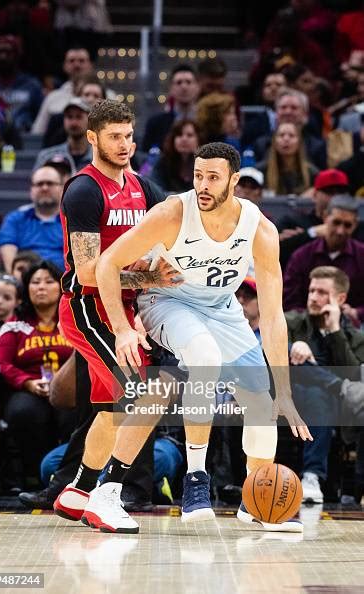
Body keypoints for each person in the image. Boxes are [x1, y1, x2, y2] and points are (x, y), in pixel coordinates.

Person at [87, 142, 311, 534]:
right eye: (197, 176)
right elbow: (106, 264)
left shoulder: (260, 230)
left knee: (261, 398)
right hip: (166, 301)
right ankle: (195, 481)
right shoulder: (172, 214)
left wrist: (286, 390)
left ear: (235, 181)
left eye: (213, 177)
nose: (203, 185)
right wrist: (123, 327)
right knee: (203, 356)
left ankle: (255, 501)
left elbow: (273, 318)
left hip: (222, 309)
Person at [53, 99, 182, 532]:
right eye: (114, 137)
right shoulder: (84, 190)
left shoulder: (144, 189)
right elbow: (91, 272)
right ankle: (108, 494)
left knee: (114, 405)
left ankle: (79, 488)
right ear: (92, 138)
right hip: (87, 307)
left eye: (129, 135)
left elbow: (178, 228)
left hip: (126, 308)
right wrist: (148, 278)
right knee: (137, 396)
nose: (125, 144)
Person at [0, 261, 75, 492]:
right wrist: (26, 382)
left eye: (48, 282)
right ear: (26, 289)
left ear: (60, 286)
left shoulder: (73, 319)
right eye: (35, 282)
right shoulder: (15, 324)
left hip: (69, 389)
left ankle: (70, 477)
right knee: (23, 412)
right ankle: (33, 475)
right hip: (29, 389)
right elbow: (2, 363)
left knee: (73, 413)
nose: (41, 287)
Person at [286, 266, 364, 504]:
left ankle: (352, 488)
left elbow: (355, 374)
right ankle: (311, 476)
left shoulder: (353, 335)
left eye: (322, 292)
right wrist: (294, 347)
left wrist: (335, 332)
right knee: (315, 388)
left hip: (339, 408)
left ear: (340, 299)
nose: (313, 297)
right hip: (289, 396)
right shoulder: (293, 322)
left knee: (322, 393)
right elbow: (271, 358)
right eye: (311, 291)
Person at [283, 195, 364, 325]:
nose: (340, 231)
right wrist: (315, 313)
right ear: (325, 218)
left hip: (352, 327)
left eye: (347, 225)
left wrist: (356, 312)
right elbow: (288, 302)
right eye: (336, 222)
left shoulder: (361, 256)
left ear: (355, 225)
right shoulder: (302, 256)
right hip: (307, 325)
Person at [0, 166, 65, 272]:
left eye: (50, 183)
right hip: (25, 280)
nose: (44, 188)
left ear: (62, 189)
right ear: (31, 190)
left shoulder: (73, 220)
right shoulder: (14, 219)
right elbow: (10, 264)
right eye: (39, 184)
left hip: (65, 282)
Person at [254, 89, 327, 170]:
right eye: (283, 107)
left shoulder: (317, 146)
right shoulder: (261, 144)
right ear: (276, 113)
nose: (288, 112)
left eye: (294, 108)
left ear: (305, 114)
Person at [31, 47, 93, 136]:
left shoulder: (106, 96)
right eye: (71, 61)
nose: (76, 65)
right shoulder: (52, 98)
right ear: (64, 66)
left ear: (90, 65)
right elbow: (37, 134)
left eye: (81, 61)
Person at [141, 64, 199, 152]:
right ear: (171, 88)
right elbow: (145, 160)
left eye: (188, 82)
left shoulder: (207, 123)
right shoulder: (155, 124)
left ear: (197, 87)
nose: (184, 87)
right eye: (179, 82)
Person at [33, 98, 92, 174]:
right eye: (69, 117)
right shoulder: (47, 157)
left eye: (79, 117)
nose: (74, 123)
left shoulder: (100, 158)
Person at [148, 119, 200, 193]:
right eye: (179, 135)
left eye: (189, 135)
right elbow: (156, 192)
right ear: (173, 139)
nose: (184, 139)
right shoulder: (162, 162)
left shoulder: (205, 164)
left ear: (198, 140)